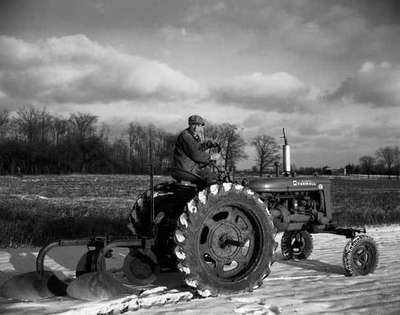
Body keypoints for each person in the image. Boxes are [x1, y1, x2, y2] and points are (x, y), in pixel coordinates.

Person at [171, 115, 220, 184]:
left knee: (208, 173)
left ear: (201, 127)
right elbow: (195, 154)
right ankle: (205, 194)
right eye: (193, 125)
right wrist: (211, 157)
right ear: (189, 125)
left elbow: (197, 148)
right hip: (185, 170)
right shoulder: (186, 136)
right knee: (212, 177)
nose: (195, 128)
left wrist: (208, 144)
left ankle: (200, 193)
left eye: (198, 125)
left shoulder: (191, 136)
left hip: (188, 169)